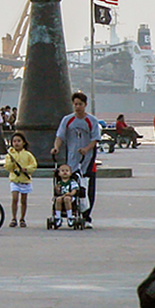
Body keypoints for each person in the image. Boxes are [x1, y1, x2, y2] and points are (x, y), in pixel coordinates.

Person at [51, 92, 100, 225]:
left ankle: (87, 216)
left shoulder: (91, 121)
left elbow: (95, 139)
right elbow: (60, 136)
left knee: (87, 188)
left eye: (80, 104)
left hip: (88, 160)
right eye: (76, 104)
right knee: (70, 187)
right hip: (72, 160)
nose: (78, 107)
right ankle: (68, 212)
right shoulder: (68, 120)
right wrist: (56, 147)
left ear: (85, 105)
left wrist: (86, 149)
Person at [4, 132, 36, 228]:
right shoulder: (10, 155)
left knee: (24, 200)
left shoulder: (28, 154)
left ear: (23, 143)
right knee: (14, 198)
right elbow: (7, 167)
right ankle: (13, 218)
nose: (16, 143)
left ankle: (22, 218)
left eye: (19, 141)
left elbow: (34, 165)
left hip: (25, 180)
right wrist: (11, 163)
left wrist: (26, 169)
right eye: (14, 141)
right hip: (15, 179)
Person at [52, 163, 81, 228]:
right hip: (61, 196)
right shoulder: (59, 183)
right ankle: (58, 216)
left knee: (67, 199)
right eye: (62, 171)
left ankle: (70, 216)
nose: (65, 172)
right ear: (59, 174)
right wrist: (57, 189)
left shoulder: (72, 182)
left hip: (70, 197)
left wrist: (70, 193)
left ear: (70, 173)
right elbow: (57, 192)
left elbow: (75, 190)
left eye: (67, 171)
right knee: (58, 199)